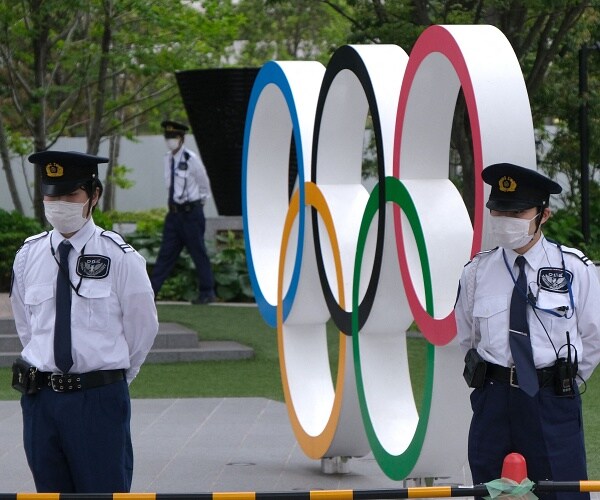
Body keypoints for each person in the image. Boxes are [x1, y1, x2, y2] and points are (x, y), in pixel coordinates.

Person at [10, 150, 159, 493]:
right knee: (49, 492)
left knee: (103, 491)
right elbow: (27, 326)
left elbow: (142, 328)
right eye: (52, 195)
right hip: (41, 401)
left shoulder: (120, 258)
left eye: (70, 195)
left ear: (93, 195)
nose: (59, 204)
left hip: (98, 399)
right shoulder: (28, 256)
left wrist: (112, 378)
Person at [455, 162, 600, 499]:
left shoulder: (573, 268)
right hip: (494, 399)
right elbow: (467, 337)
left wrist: (564, 383)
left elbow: (592, 335)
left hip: (551, 399)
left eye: (518, 212)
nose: (506, 221)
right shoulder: (477, 271)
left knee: (562, 489)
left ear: (543, 215)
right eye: (499, 211)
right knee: (489, 489)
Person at [150, 120, 216, 304]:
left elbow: (204, 186)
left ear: (181, 138)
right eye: (167, 137)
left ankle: (207, 291)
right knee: (165, 254)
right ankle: (150, 293)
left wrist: (196, 206)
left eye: (173, 137)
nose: (170, 140)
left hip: (190, 213)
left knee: (198, 252)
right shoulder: (167, 159)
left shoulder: (191, 159)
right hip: (173, 214)